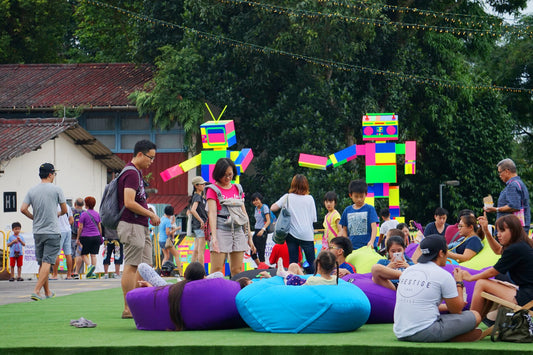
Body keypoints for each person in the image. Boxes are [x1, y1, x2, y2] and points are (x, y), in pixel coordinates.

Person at [394, 235, 482, 342]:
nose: (448, 255)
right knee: (475, 315)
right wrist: (459, 282)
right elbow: (456, 310)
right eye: (447, 252)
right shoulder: (443, 275)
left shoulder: (408, 271)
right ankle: (453, 337)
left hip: (400, 332)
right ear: (441, 253)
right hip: (425, 331)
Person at [117, 139, 161, 319]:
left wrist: (148, 213)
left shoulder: (136, 173)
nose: (152, 162)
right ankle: (128, 308)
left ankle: (139, 303)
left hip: (140, 224)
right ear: (140, 154)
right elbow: (128, 202)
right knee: (132, 265)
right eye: (150, 158)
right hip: (132, 224)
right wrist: (150, 214)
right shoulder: (132, 173)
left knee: (145, 267)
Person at [460, 214, 533, 317]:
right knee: (489, 284)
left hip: (527, 297)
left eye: (502, 231)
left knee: (481, 283)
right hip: (526, 292)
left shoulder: (516, 248)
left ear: (513, 230)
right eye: (497, 231)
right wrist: (486, 230)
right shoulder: (521, 244)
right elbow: (498, 250)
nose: (498, 234)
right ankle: (476, 323)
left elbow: (493, 271)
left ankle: (471, 321)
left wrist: (471, 277)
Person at [20, 163, 68, 300]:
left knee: (42, 263)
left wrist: (34, 217)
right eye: (54, 174)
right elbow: (65, 210)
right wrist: (57, 213)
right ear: (50, 174)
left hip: (38, 231)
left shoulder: (32, 190)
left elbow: (23, 208)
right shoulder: (56, 189)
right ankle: (36, 290)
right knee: (47, 262)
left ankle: (47, 292)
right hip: (52, 230)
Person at [206, 158, 255, 277]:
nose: (227, 178)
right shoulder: (212, 190)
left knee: (237, 270)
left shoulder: (237, 188)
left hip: (237, 230)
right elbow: (212, 214)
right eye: (224, 175)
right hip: (221, 229)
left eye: (230, 174)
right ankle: (214, 294)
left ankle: (236, 294)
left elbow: (244, 213)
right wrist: (214, 237)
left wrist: (249, 236)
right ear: (218, 174)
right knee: (217, 270)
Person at [271, 174, 317, 274]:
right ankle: (315, 282)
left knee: (293, 261)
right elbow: (314, 219)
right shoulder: (310, 199)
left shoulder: (287, 197)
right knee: (312, 262)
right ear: (306, 185)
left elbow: (273, 208)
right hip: (307, 234)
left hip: (291, 234)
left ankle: (293, 282)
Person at [484, 158, 531, 233]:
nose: (499, 176)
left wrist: (495, 209)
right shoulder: (519, 183)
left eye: (500, 172)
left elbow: (513, 206)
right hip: (516, 228)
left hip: (512, 230)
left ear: (507, 171)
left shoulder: (513, 185)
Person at [339, 179, 379, 250]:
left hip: (368, 247)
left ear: (366, 194)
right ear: (350, 195)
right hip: (352, 248)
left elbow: (374, 227)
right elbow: (344, 229)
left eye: (361, 196)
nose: (359, 199)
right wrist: (347, 243)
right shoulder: (347, 210)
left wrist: (372, 241)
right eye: (356, 196)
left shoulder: (370, 209)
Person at [263, 250, 339, 285]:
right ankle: (284, 273)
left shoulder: (313, 280)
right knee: (296, 273)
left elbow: (301, 288)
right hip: (313, 283)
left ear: (318, 265)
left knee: (295, 279)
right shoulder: (335, 279)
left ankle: (284, 275)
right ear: (334, 266)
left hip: (302, 287)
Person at [76, 196, 102, 279]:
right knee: (93, 255)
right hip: (96, 236)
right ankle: (92, 273)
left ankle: (90, 266)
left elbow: (80, 227)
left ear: (86, 204)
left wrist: (78, 238)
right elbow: (99, 226)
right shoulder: (97, 214)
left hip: (86, 236)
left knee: (83, 254)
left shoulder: (84, 214)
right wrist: (100, 235)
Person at [158, 205, 183, 275]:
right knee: (176, 255)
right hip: (166, 241)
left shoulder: (162, 218)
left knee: (166, 256)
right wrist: (176, 229)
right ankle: (181, 272)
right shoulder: (167, 221)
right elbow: (167, 232)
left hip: (160, 240)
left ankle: (162, 273)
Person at [51, 204, 73, 280]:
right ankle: (69, 274)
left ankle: (55, 274)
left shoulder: (53, 206)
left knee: (56, 253)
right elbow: (71, 220)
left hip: (58, 230)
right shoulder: (67, 206)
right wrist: (66, 224)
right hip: (68, 230)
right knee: (68, 253)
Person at [189, 176, 208, 265]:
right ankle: (202, 272)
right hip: (200, 226)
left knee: (196, 250)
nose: (204, 185)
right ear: (196, 186)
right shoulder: (197, 197)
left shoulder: (198, 196)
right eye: (202, 184)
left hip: (197, 225)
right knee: (201, 250)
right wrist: (201, 221)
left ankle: (190, 271)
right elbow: (193, 210)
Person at [250, 192, 273, 265]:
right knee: (253, 252)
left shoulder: (264, 207)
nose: (255, 202)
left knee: (261, 252)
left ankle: (262, 269)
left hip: (262, 231)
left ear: (260, 199)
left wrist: (263, 230)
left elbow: (268, 220)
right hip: (256, 230)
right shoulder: (256, 209)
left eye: (257, 200)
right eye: (254, 200)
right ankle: (261, 267)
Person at [70, 198, 85, 279]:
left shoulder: (71, 211)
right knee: (79, 254)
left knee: (71, 255)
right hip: (81, 237)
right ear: (83, 205)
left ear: (75, 204)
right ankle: (76, 272)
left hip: (72, 236)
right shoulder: (85, 213)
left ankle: (70, 272)